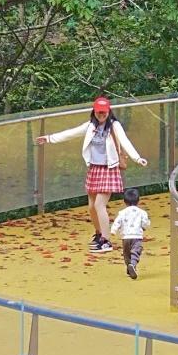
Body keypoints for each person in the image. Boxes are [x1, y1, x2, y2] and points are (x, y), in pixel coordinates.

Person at [36, 96, 148, 251]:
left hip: (109, 169)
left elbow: (125, 141)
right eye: (98, 112)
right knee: (91, 206)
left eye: (104, 112)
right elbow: (71, 133)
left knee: (99, 204)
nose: (101, 115)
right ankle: (99, 233)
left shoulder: (114, 126)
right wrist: (49, 138)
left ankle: (106, 241)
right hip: (94, 169)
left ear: (109, 111)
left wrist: (137, 158)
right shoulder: (90, 126)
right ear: (94, 111)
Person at [111, 186, 151, 279]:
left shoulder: (122, 212)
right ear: (138, 200)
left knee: (127, 253)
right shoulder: (142, 212)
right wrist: (144, 227)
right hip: (137, 236)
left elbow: (117, 221)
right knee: (136, 252)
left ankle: (129, 266)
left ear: (125, 201)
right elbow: (145, 223)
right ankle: (132, 265)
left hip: (125, 237)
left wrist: (113, 230)